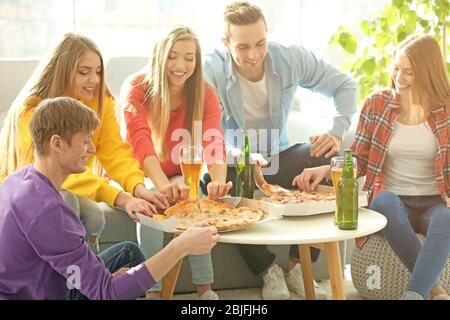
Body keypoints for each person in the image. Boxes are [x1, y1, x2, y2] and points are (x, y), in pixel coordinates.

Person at [203, 1, 359, 299]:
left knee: (326, 159)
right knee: (213, 184)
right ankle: (267, 271)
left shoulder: (289, 58)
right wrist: (239, 155)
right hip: (238, 161)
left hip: (278, 155)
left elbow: (346, 86)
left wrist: (336, 134)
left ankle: (297, 266)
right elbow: (207, 134)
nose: (253, 55)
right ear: (226, 43)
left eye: (260, 43)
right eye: (243, 46)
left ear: (267, 35)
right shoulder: (211, 69)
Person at [0, 97, 219, 300]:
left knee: (128, 252)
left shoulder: (20, 179)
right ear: (57, 144)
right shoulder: (49, 212)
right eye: (85, 141)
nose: (92, 149)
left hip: (26, 283)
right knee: (116, 287)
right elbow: (107, 293)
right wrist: (181, 246)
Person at [295, 34, 450, 300]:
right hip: (393, 198)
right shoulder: (377, 104)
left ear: (427, 72)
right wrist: (325, 170)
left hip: (434, 201)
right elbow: (360, 158)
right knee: (383, 201)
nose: (399, 78)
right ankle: (433, 290)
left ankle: (414, 294)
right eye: (396, 69)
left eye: (409, 72)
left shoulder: (446, 111)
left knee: (447, 218)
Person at [0, 33, 170, 249]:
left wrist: (137, 187)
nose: (95, 80)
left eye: (98, 72)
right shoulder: (32, 113)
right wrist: (120, 198)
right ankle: (64, 278)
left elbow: (115, 152)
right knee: (71, 205)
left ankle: (88, 277)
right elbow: (55, 171)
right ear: (62, 72)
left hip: (67, 188)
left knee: (96, 214)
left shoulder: (101, 102)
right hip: (28, 192)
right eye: (84, 72)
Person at [119, 25, 232, 300]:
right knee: (153, 205)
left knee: (198, 199)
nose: (181, 65)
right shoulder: (136, 89)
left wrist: (217, 181)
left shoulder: (204, 93)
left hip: (179, 171)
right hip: (140, 171)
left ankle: (205, 289)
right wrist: (161, 187)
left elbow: (214, 140)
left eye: (189, 58)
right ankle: (153, 291)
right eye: (172, 56)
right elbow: (140, 143)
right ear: (160, 56)